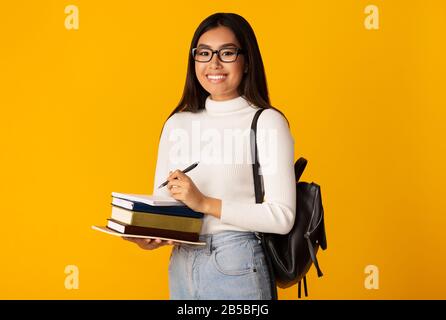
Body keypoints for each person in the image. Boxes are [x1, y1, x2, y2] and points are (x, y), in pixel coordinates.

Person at [124, 12, 296, 300]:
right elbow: (163, 199)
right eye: (204, 53)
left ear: (247, 60)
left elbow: (282, 217)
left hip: (237, 261)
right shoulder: (177, 123)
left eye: (226, 53)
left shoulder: (266, 121)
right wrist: (150, 233)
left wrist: (204, 202)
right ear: (194, 61)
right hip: (182, 262)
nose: (213, 63)